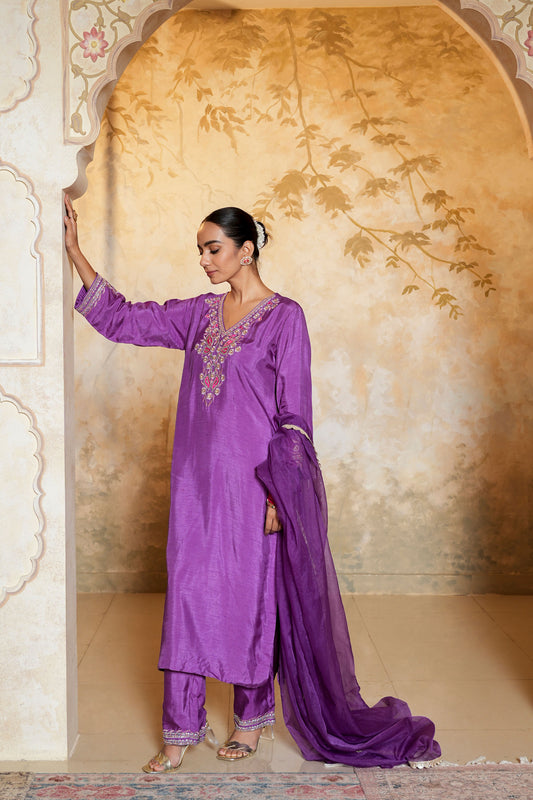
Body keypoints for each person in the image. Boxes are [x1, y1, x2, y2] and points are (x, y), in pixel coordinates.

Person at [64, 195, 441, 773]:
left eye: (213, 249)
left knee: (249, 601)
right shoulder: (199, 314)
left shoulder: (286, 318)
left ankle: (251, 719)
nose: (204, 260)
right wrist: (75, 251)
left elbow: (295, 414)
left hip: (253, 487)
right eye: (200, 251)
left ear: (247, 250)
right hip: (195, 486)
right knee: (187, 597)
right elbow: (126, 319)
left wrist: (278, 493)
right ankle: (180, 727)